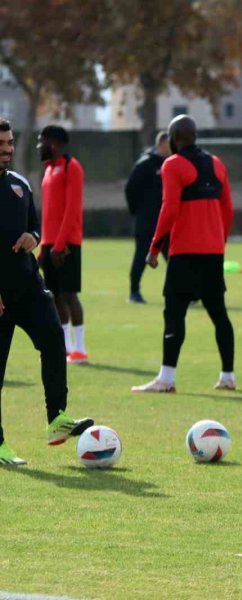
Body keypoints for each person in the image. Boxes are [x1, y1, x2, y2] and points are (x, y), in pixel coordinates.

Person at [0, 118, 93, 465]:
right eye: (1, 145)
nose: (7, 149)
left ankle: (57, 418)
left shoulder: (21, 186)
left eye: (9, 143)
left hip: (29, 288)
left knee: (55, 339)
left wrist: (34, 238)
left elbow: (35, 227)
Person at [130, 115, 236, 394]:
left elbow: (169, 208)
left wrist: (154, 248)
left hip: (185, 252)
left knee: (174, 313)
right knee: (219, 313)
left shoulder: (173, 164)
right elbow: (227, 207)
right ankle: (228, 376)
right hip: (213, 252)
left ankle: (167, 378)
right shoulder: (217, 163)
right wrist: (219, 240)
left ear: (174, 138)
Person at [38, 125, 87, 364]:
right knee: (55, 297)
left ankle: (81, 348)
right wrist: (44, 247)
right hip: (49, 244)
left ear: (54, 143)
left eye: (42, 141)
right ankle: (65, 347)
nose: (39, 146)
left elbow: (71, 210)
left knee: (69, 296)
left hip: (67, 244)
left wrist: (59, 244)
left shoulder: (71, 167)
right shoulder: (48, 170)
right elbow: (48, 214)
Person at [125, 131, 171, 304]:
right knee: (141, 256)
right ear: (160, 145)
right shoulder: (145, 164)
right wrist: (137, 211)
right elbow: (130, 189)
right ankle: (134, 291)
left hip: (166, 221)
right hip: (146, 222)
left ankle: (186, 291)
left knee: (174, 257)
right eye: (168, 146)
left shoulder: (172, 163)